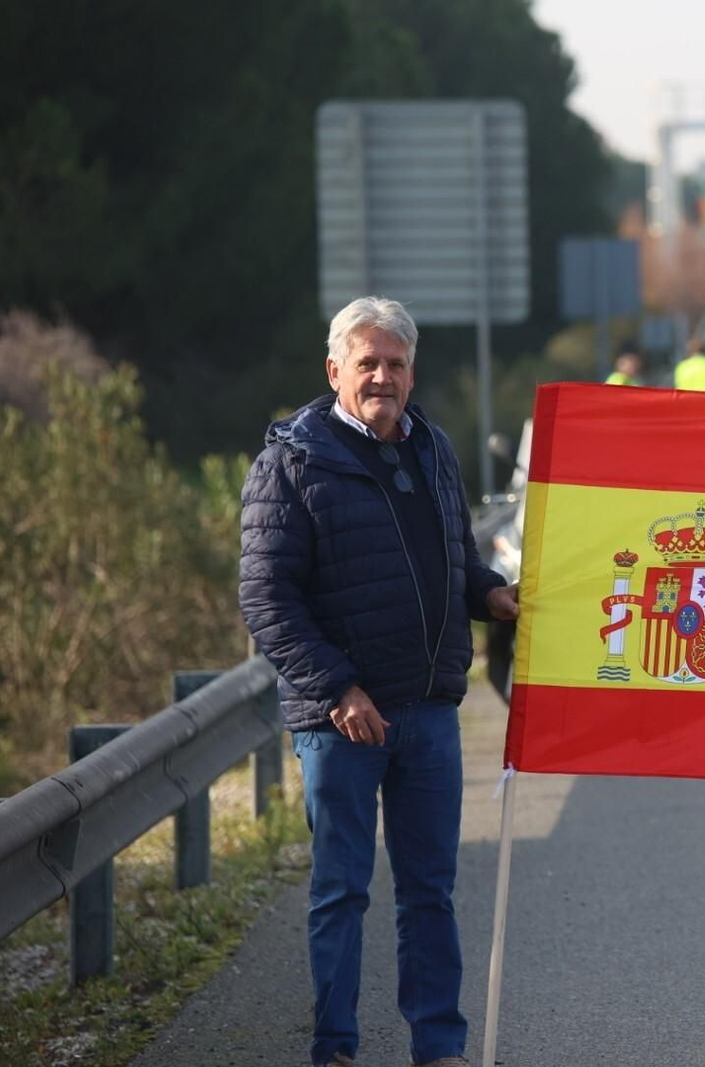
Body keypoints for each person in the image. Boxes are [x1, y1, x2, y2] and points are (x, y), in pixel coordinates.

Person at [239, 296, 520, 1067]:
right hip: (342, 723)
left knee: (429, 891)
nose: (383, 377)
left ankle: (439, 1046)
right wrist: (338, 689)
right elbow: (266, 598)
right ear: (335, 370)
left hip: (428, 711)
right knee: (342, 893)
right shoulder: (291, 462)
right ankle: (335, 1048)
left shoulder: (431, 446)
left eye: (395, 363)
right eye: (367, 363)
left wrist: (489, 595)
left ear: (412, 370)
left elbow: (456, 557)